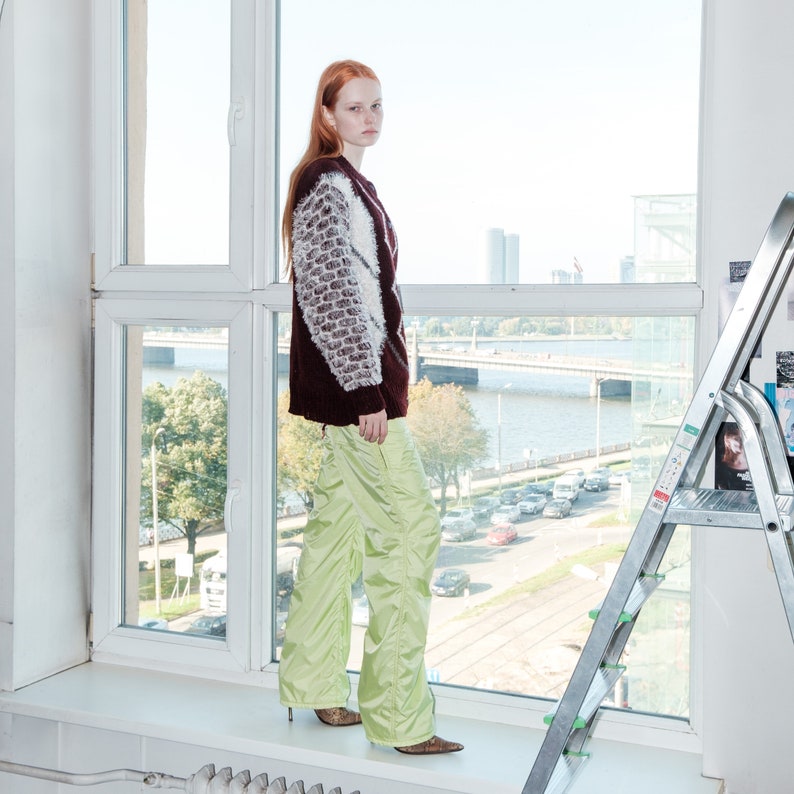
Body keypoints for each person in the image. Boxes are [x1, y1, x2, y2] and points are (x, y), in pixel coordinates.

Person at [277, 60, 463, 756]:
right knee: (410, 533)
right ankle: (397, 717)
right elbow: (330, 298)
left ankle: (314, 683)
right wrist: (366, 395)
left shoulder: (349, 184)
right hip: (359, 400)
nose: (369, 118)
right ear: (327, 114)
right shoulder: (328, 185)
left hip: (352, 396)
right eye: (354, 107)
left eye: (377, 106)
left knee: (336, 535)